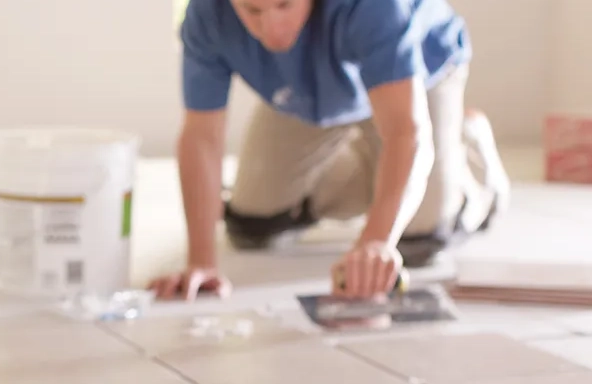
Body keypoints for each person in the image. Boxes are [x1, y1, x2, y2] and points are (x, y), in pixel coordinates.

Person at [149, 0, 510, 301]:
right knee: (252, 225)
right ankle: (375, 164)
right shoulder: (206, 14)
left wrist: (376, 241)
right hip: (303, 91)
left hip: (414, 82)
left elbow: (404, 130)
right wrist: (200, 260)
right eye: (253, 11)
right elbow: (202, 136)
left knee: (419, 238)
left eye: (284, 4)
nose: (272, 30)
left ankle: (469, 153)